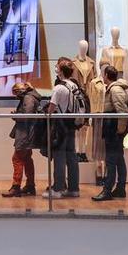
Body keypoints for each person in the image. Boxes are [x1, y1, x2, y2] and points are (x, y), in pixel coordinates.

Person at [93, 64, 128, 201]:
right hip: (114, 130)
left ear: (107, 76)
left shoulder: (115, 90)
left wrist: (119, 131)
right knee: (119, 159)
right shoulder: (115, 89)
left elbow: (122, 112)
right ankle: (120, 188)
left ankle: (107, 190)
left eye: (103, 75)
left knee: (111, 161)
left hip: (114, 130)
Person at [47, 57, 83, 198]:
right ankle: (74, 189)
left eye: (57, 67)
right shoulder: (74, 85)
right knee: (72, 156)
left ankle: (58, 189)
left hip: (61, 124)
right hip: (72, 124)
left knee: (59, 156)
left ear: (61, 71)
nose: (56, 69)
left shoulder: (59, 88)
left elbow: (51, 108)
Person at [4, 80, 41, 197]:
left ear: (19, 91)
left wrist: (16, 116)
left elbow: (26, 116)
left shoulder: (28, 98)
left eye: (15, 94)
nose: (16, 98)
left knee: (17, 159)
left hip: (25, 133)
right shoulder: (32, 96)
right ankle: (30, 186)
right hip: (28, 132)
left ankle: (16, 187)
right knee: (27, 159)